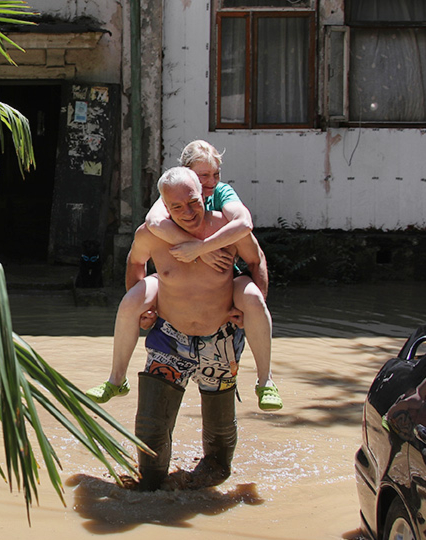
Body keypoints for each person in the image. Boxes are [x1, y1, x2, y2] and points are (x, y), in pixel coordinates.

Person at [87, 141, 281, 411]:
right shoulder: (169, 198)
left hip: (226, 282)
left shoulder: (223, 199)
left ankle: (265, 380)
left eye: (216, 174)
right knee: (131, 302)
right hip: (174, 297)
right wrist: (146, 309)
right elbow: (151, 230)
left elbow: (250, 239)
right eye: (204, 176)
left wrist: (202, 248)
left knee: (253, 298)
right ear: (186, 176)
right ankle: (116, 378)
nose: (211, 182)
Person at [122, 166, 269, 491]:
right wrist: (143, 308)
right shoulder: (153, 232)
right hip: (169, 336)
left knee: (219, 440)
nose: (187, 213)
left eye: (193, 203)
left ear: (204, 195)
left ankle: (206, 485)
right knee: (150, 429)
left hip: (220, 338)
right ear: (166, 206)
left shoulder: (228, 229)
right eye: (177, 207)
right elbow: (135, 262)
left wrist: (248, 307)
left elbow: (256, 259)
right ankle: (151, 489)